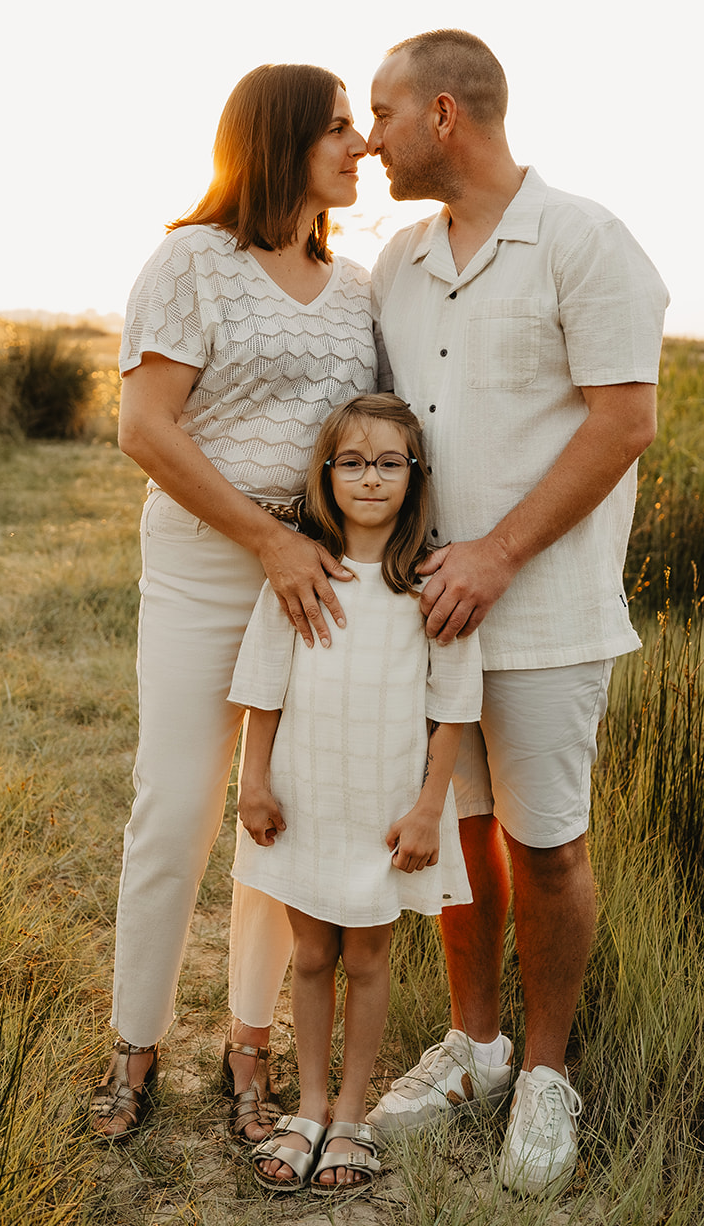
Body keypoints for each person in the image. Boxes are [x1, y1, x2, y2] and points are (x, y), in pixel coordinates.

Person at [365, 29, 669, 1196]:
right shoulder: (397, 258)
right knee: (462, 834)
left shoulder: (584, 240)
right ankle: (475, 1043)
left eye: (385, 111)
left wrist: (494, 553)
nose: (374, 136)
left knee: (545, 845)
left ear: (443, 114)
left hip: (542, 608)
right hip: (429, 615)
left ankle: (546, 1075)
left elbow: (620, 421)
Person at [89, 64, 378, 1144]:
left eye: (358, 127)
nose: (362, 148)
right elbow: (146, 429)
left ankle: (247, 1045)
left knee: (280, 811)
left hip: (314, 575)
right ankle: (134, 1042)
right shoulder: (190, 262)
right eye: (340, 129)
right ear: (282, 138)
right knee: (175, 801)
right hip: (212, 562)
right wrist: (260, 536)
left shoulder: (356, 289)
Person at [228, 393, 483, 1195]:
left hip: (384, 810)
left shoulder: (430, 584)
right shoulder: (302, 570)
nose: (370, 478)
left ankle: (348, 1114)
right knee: (310, 953)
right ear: (326, 473)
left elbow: (452, 712)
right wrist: (254, 782)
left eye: (388, 463)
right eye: (352, 462)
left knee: (367, 959)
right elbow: (262, 689)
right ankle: (305, 1105)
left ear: (414, 475)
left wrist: (427, 809)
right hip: (306, 796)